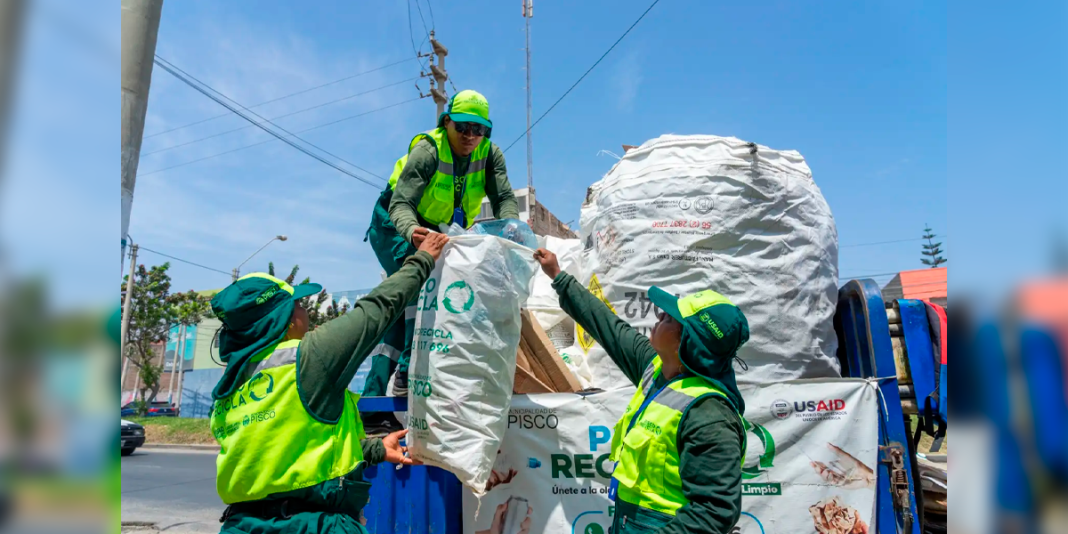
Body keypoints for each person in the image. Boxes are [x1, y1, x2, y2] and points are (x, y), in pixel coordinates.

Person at [208, 233, 449, 534]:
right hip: (310, 526)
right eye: (298, 305)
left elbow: (289, 453)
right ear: (283, 319)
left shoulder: (231, 387)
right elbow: (376, 309)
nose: (305, 311)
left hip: (242, 526)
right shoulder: (309, 358)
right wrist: (423, 259)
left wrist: (372, 449)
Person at [533, 248, 750, 534]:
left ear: (687, 343)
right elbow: (608, 326)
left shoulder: (709, 414)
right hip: (627, 521)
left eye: (671, 318)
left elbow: (714, 511)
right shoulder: (655, 369)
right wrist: (559, 277)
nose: (659, 315)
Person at [362, 89, 519, 434]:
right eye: (462, 127)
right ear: (446, 122)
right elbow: (400, 203)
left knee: (402, 306)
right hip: (394, 223)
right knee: (420, 285)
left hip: (435, 227)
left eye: (479, 130)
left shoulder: (490, 155)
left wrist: (512, 233)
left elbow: (505, 198)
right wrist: (411, 232)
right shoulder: (428, 150)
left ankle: (373, 403)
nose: (470, 137)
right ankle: (406, 374)